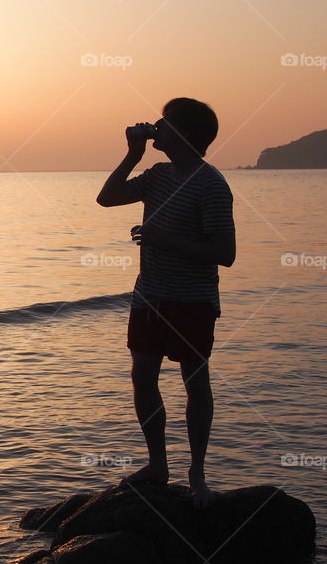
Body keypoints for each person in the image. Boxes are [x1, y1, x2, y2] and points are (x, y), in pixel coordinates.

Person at [96, 97, 236, 509]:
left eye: (166, 121)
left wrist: (163, 239)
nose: (156, 125)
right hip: (150, 295)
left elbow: (224, 252)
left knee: (195, 382)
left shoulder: (211, 183)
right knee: (143, 377)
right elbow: (107, 198)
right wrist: (132, 153)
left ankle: (197, 474)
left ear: (187, 133)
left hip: (191, 299)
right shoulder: (156, 174)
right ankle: (158, 464)